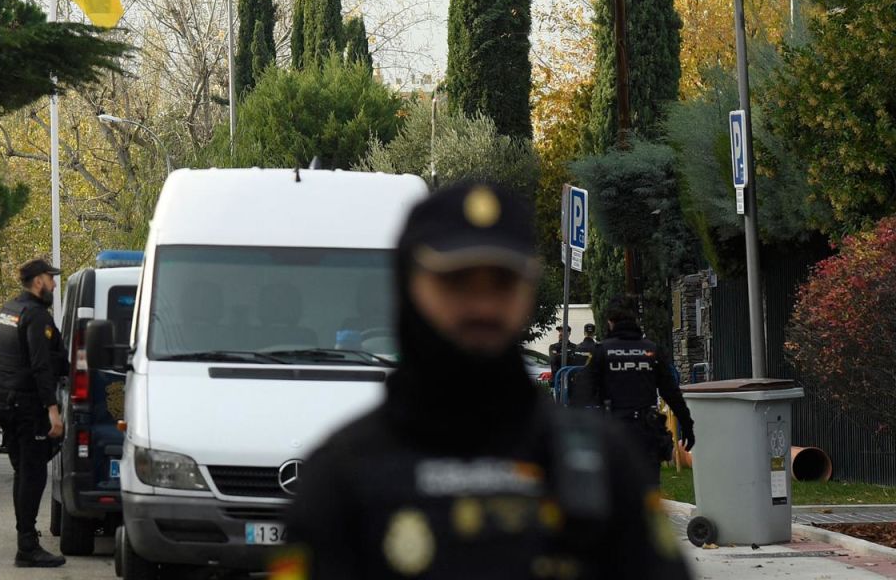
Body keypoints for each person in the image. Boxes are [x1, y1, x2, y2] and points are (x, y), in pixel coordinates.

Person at [274, 183, 691, 580]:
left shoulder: (601, 463)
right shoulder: (341, 474)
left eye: (503, 282)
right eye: (456, 281)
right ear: (409, 285)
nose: (483, 305)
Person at [0, 258, 67, 569]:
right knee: (33, 474)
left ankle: (26, 538)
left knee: (24, 471)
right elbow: (40, 365)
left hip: (8, 403)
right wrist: (53, 410)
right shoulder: (35, 316)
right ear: (38, 281)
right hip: (28, 405)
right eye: (51, 278)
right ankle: (27, 546)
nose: (53, 284)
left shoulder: (9, 310)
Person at [584, 295, 696, 484]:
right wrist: (687, 425)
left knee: (617, 492)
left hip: (614, 431)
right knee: (648, 492)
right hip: (647, 433)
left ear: (610, 321)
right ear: (636, 319)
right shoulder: (652, 350)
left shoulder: (602, 351)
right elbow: (671, 393)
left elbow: (581, 393)